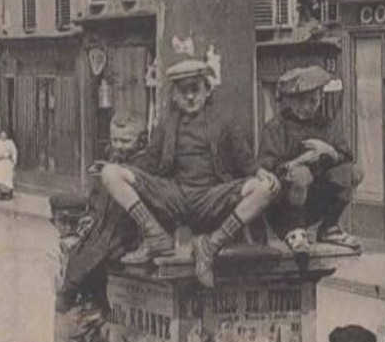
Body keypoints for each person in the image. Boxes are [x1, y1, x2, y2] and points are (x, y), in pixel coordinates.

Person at [100, 58, 279, 289]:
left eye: (195, 89)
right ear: (174, 95)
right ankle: (156, 236)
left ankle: (211, 246)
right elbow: (149, 164)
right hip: (174, 195)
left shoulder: (225, 122)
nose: (190, 97)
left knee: (265, 188)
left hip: (213, 196)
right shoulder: (165, 125)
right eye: (183, 92)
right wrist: (121, 164)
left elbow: (246, 163)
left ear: (207, 90)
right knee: (110, 173)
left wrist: (261, 172)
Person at [53, 114, 150, 342]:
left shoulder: (133, 172)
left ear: (141, 142)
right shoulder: (67, 248)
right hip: (70, 312)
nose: (120, 146)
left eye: (128, 141)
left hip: (98, 308)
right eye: (116, 139)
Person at [257, 66, 362, 255]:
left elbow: (346, 156)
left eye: (313, 101)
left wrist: (330, 151)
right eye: (299, 102)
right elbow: (266, 168)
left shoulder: (326, 125)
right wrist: (299, 161)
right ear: (289, 100)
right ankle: (295, 232)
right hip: (283, 206)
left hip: (317, 200)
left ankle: (329, 227)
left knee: (353, 172)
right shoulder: (276, 127)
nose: (307, 107)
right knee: (301, 174)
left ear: (321, 97)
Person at [0, 129, 18, 202]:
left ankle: (8, 193)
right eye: (2, 134)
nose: (3, 136)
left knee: (7, 179)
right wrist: (2, 155)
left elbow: (14, 152)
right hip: (0, 163)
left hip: (7, 163)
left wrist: (14, 161)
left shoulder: (10, 143)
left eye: (4, 134)